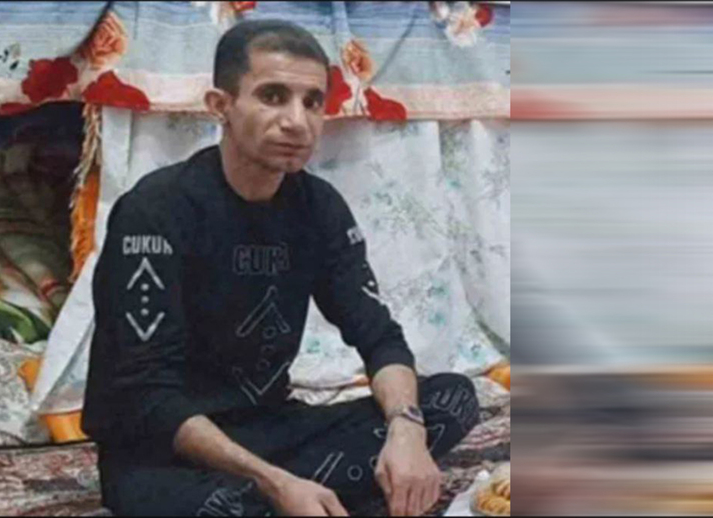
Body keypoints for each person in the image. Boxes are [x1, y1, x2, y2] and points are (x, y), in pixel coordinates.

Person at [82, 19, 480, 516]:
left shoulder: (319, 207)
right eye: (273, 96)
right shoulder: (156, 210)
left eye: (312, 102)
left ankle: (299, 496)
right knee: (225, 507)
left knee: (451, 399)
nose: (297, 121)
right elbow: (147, 395)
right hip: (164, 451)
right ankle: (296, 496)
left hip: (271, 427)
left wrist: (406, 430)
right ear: (220, 105)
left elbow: (379, 337)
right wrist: (273, 482)